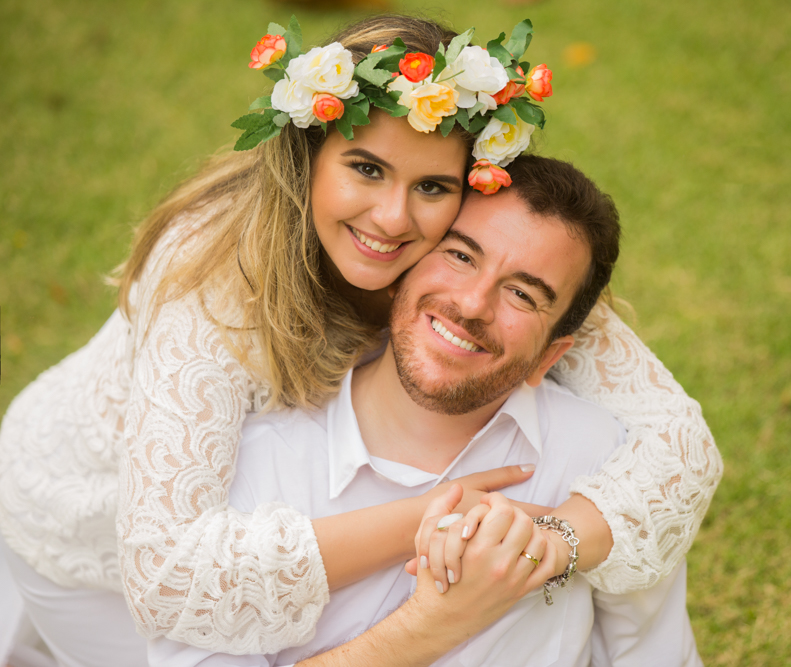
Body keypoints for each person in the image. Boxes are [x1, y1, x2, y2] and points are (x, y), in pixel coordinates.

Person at [0, 13, 722, 666]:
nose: (391, 218)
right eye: (366, 169)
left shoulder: (479, 263)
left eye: (433, 186)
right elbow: (165, 575)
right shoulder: (212, 279)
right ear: (310, 152)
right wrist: (441, 512)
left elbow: (680, 448)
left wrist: (553, 537)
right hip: (91, 532)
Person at [149, 155, 701, 667]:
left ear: (551, 356)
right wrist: (434, 624)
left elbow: (650, 653)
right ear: (399, 271)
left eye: (523, 295)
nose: (471, 304)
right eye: (460, 256)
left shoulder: (608, 464)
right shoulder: (251, 474)